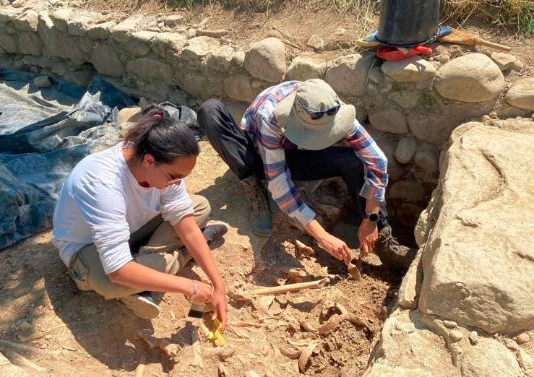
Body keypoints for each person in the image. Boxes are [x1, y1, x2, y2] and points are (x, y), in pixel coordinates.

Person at [197, 79, 415, 269]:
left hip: (294, 154)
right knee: (210, 110)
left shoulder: (328, 106)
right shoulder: (270, 117)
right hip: (258, 155)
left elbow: (376, 160)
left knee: (352, 161)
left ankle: (384, 241)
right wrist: (322, 236)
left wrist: (371, 217)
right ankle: (253, 185)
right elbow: (280, 186)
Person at [52, 105, 228, 327]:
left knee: (199, 206)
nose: (178, 183)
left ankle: (142, 279)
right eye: (174, 177)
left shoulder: (161, 167)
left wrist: (218, 283)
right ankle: (175, 260)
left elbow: (187, 226)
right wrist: (190, 287)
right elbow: (117, 271)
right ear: (149, 160)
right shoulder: (103, 183)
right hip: (87, 253)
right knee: (111, 282)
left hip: (130, 232)